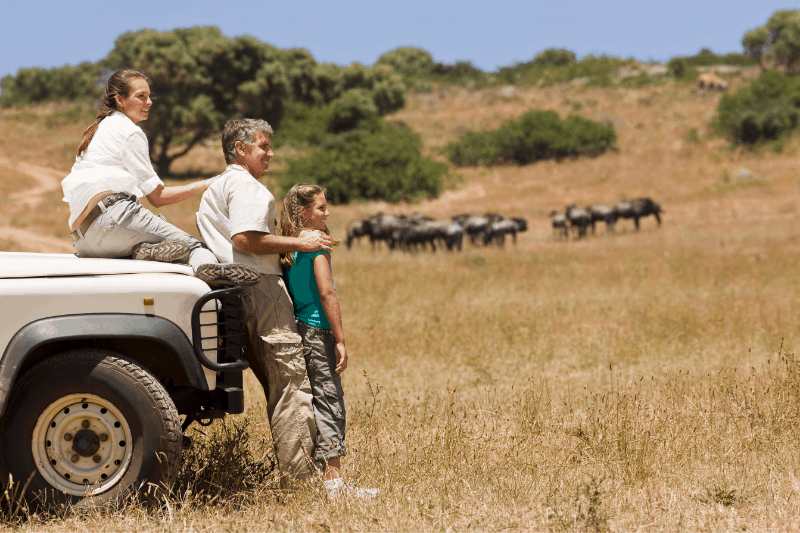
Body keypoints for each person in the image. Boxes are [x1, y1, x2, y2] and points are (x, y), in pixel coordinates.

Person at [195, 118, 333, 487]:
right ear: (240, 149)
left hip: (229, 291)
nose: (270, 154)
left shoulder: (216, 188)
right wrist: (303, 243)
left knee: (278, 382)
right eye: (263, 147)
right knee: (291, 381)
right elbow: (246, 240)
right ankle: (302, 482)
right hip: (262, 288)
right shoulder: (248, 187)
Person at [61, 68, 258, 286]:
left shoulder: (98, 130)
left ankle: (142, 251)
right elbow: (158, 198)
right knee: (195, 248)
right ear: (120, 100)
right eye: (140, 96)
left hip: (83, 240)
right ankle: (213, 274)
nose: (149, 102)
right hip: (113, 220)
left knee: (168, 251)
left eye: (149, 96)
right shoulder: (129, 132)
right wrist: (208, 182)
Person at [280, 183, 378, 499]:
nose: (327, 212)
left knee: (316, 399)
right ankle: (334, 486)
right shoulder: (315, 247)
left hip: (299, 328)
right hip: (317, 330)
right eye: (321, 207)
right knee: (330, 400)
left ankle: (326, 480)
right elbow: (327, 292)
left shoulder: (289, 246)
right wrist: (340, 339)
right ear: (303, 212)